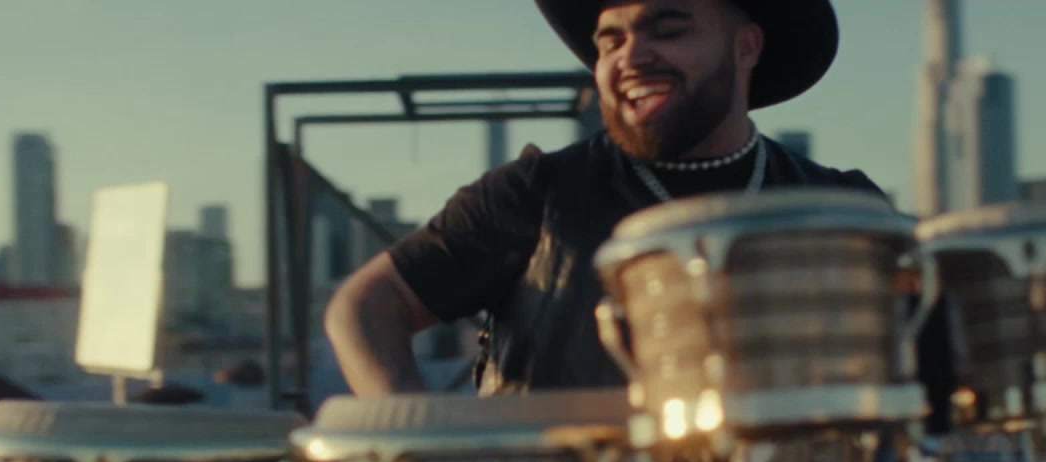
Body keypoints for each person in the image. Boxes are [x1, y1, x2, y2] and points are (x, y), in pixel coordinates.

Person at [326, 0, 888, 397]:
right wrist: (420, 440)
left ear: (746, 47)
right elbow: (367, 304)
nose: (632, 57)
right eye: (611, 41)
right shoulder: (536, 193)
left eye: (668, 30)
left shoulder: (840, 208)